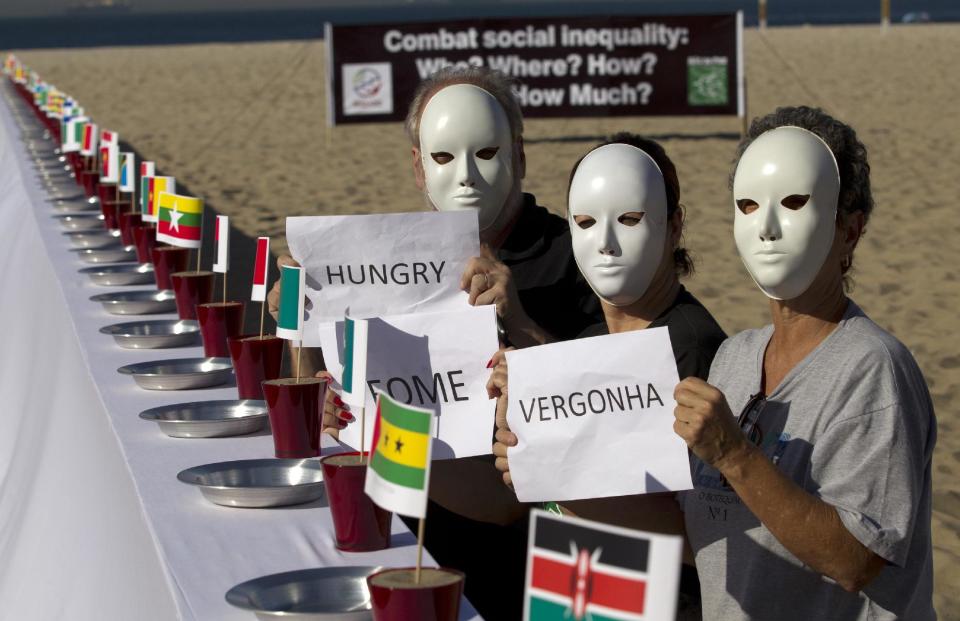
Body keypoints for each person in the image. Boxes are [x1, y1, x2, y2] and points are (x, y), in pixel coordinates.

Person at [268, 67, 603, 620]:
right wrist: (298, 320)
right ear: (419, 169)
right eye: (444, 157)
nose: (467, 177)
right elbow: (330, 406)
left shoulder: (581, 261)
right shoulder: (384, 262)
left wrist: (519, 322)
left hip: (530, 573)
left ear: (519, 157)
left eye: (487, 153)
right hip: (406, 545)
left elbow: (595, 417)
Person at [671, 107, 936, 620]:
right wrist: (559, 478)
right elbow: (704, 535)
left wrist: (735, 454)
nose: (766, 227)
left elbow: (855, 560)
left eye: (794, 203)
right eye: (747, 206)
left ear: (850, 230)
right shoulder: (736, 356)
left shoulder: (873, 368)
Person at [489, 133, 726, 617]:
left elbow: (703, 531)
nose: (607, 243)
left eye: (631, 219)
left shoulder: (690, 347)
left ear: (674, 225)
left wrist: (554, 474)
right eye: (585, 222)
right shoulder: (590, 337)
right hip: (580, 597)